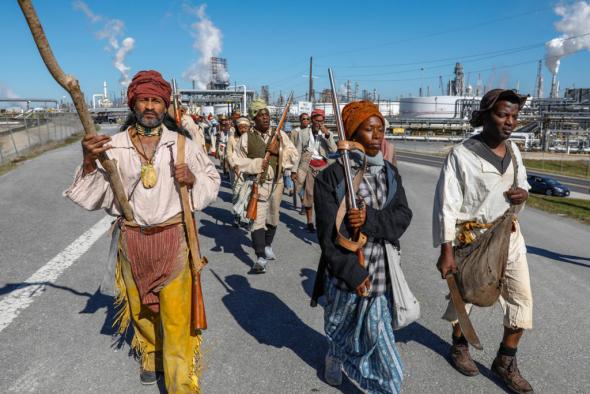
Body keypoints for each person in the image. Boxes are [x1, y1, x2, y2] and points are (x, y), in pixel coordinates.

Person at [64, 70, 220, 392]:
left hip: (174, 241)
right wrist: (90, 162)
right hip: (132, 241)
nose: (150, 106)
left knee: (178, 322)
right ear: (133, 103)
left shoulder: (182, 145)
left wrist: (192, 179)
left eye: (156, 101)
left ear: (165, 106)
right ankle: (151, 353)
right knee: (142, 311)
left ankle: (182, 386)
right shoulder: (114, 146)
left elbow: (212, 181)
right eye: (144, 100)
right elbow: (95, 194)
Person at [433, 89, 533, 394]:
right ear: (485, 116)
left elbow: (524, 181)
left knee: (522, 300)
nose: (510, 122)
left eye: (514, 116)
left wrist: (523, 193)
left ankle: (505, 360)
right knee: (466, 296)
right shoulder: (461, 155)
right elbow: (446, 206)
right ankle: (460, 345)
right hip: (473, 238)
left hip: (509, 235)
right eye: (502, 114)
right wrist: (446, 251)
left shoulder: (514, 151)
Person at [311, 100, 413, 393]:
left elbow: (403, 217)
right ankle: (334, 354)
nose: (378, 135)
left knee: (382, 346)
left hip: (380, 275)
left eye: (381, 129)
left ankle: (387, 387)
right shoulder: (332, 177)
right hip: (346, 275)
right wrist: (353, 274)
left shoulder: (389, 174)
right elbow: (328, 237)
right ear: (353, 134)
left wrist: (369, 220)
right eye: (369, 129)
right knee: (339, 328)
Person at [233, 99, 299, 273]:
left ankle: (268, 244)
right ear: (254, 118)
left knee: (273, 216)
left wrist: (279, 152)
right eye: (261, 115)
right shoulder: (246, 137)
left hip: (276, 184)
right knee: (257, 220)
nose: (265, 118)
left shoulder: (279, 135)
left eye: (267, 115)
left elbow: (293, 154)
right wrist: (256, 164)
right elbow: (235, 160)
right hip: (257, 184)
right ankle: (260, 256)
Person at [292, 109, 337, 232]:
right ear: (312, 121)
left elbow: (333, 151)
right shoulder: (303, 133)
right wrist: (294, 170)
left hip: (323, 167)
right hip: (309, 166)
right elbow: (298, 151)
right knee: (309, 195)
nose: (319, 124)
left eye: (321, 121)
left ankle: (323, 221)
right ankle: (310, 222)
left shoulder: (327, 134)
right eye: (316, 121)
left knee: (324, 197)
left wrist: (327, 135)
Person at [227, 117, 252, 227]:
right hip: (236, 171)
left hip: (250, 170)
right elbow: (228, 155)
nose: (243, 129)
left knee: (248, 195)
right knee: (237, 194)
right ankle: (237, 216)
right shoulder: (232, 139)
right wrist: (233, 165)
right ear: (237, 128)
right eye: (241, 127)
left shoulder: (252, 139)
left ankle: (247, 218)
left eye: (245, 127)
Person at [290, 113, 311, 209]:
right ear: (300, 120)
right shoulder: (295, 132)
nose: (305, 120)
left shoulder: (311, 131)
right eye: (303, 119)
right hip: (297, 160)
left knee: (307, 185)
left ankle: (304, 204)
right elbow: (292, 147)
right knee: (298, 184)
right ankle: (302, 202)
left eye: (307, 119)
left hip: (308, 162)